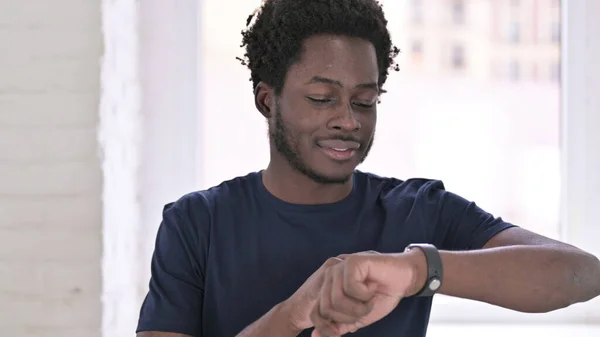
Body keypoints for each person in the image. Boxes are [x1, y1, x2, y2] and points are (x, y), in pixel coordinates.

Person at [135, 0, 600, 336]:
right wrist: (294, 315)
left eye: (365, 100)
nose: (348, 120)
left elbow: (581, 274)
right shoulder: (197, 223)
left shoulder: (418, 211)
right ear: (266, 99)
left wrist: (418, 270)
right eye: (322, 99)